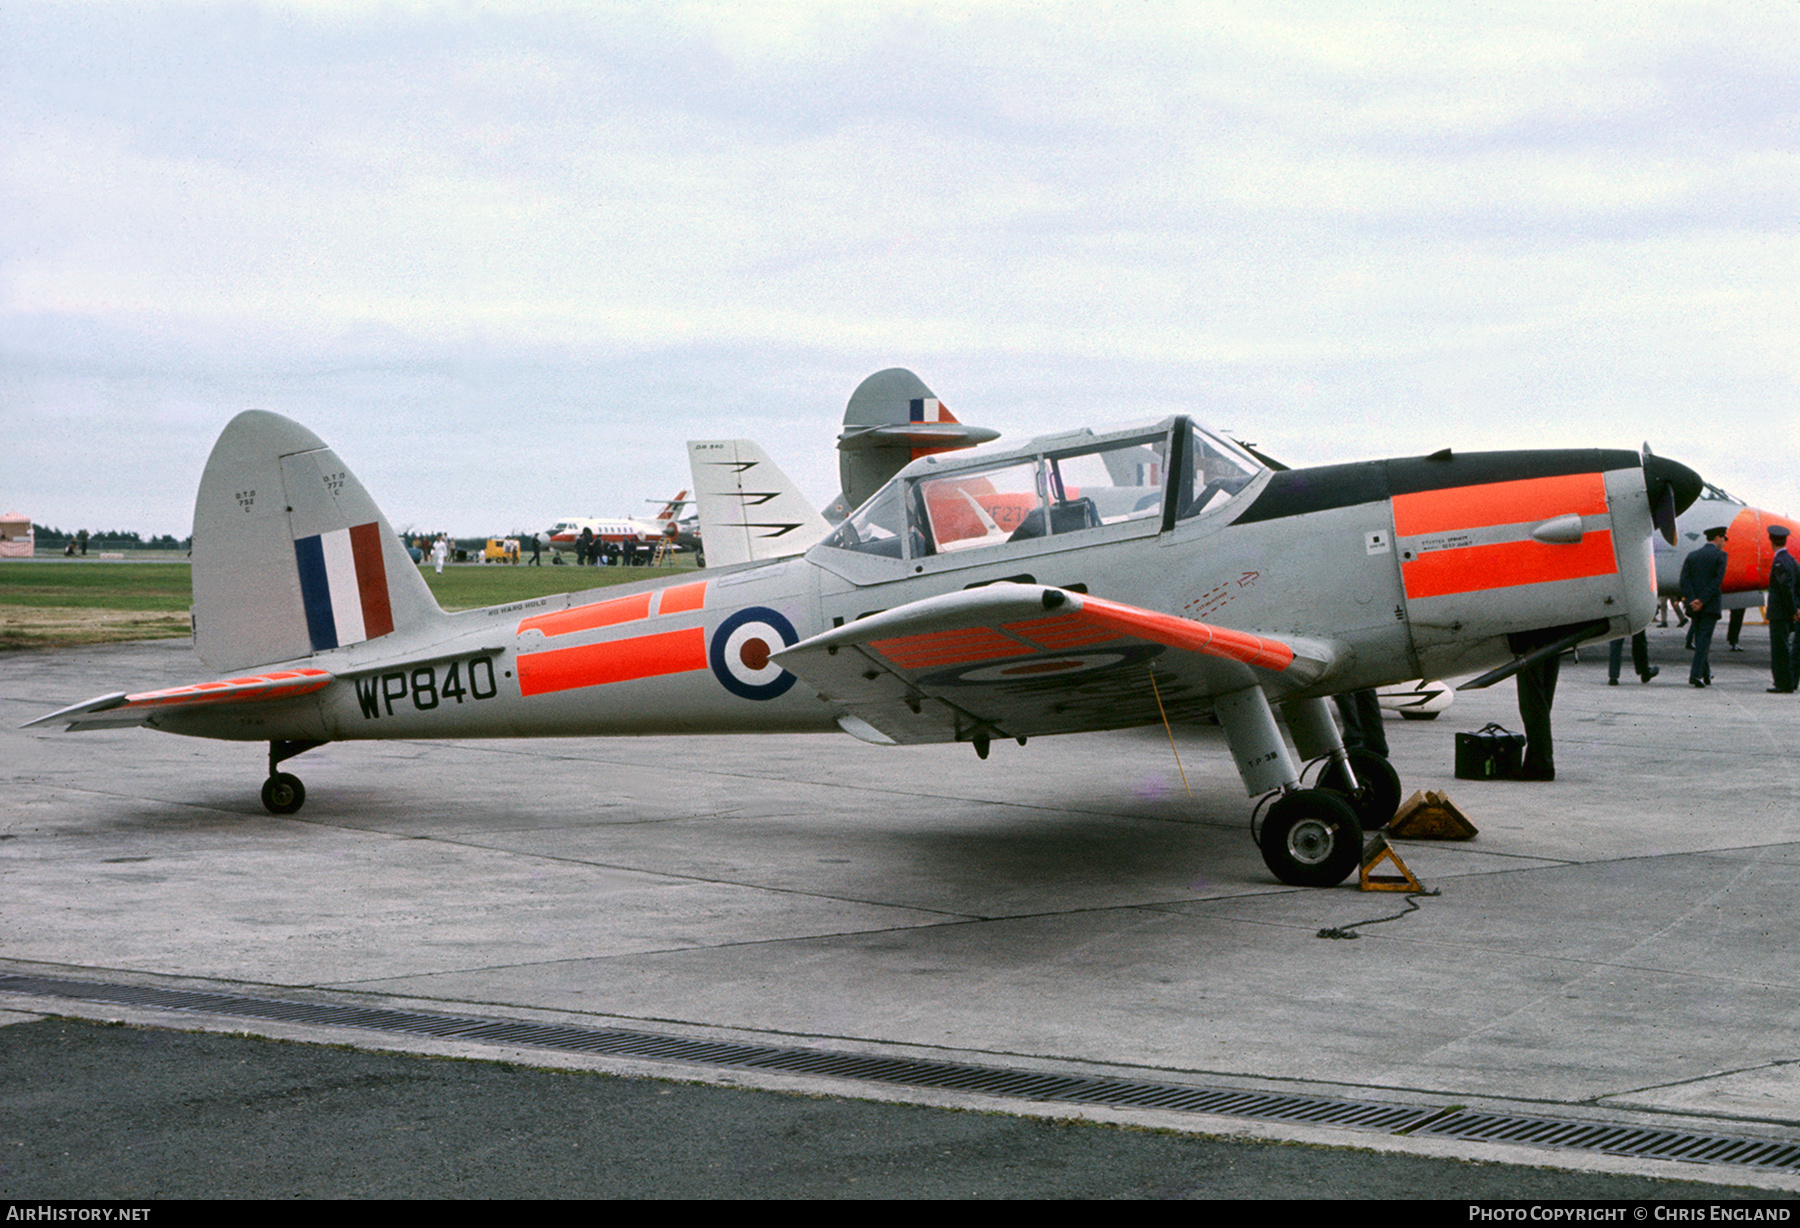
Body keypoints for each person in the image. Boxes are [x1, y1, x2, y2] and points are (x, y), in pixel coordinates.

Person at [1679, 526, 1729, 687]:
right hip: (1709, 606)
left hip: (1694, 607)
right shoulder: (1720, 556)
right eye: (1724, 539)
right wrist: (1702, 600)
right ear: (1718, 538)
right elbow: (1717, 581)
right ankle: (1696, 675)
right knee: (1703, 641)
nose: (1724, 543)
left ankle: (1706, 675)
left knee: (1700, 639)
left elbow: (1684, 581)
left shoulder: (1692, 556)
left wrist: (1693, 600)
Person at [1768, 525, 1800, 693]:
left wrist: (1792, 610)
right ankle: (1786, 682)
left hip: (1779, 613)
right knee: (1784, 649)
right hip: (1786, 612)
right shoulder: (1792, 560)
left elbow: (1785, 589)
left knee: (1779, 650)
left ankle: (1783, 683)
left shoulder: (1780, 562)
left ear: (1771, 541)